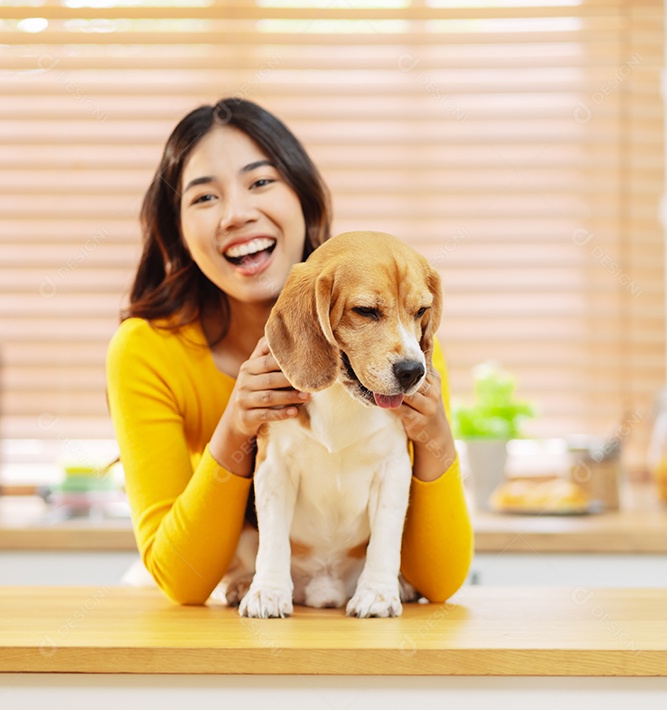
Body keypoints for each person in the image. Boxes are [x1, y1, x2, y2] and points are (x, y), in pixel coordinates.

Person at [105, 97, 472, 605]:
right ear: (178, 230)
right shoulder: (146, 350)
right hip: (234, 590)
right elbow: (182, 582)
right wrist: (237, 423)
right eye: (204, 198)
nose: (237, 214)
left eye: (260, 182)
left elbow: (441, 582)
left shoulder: (401, 350)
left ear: (304, 199)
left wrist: (435, 440)